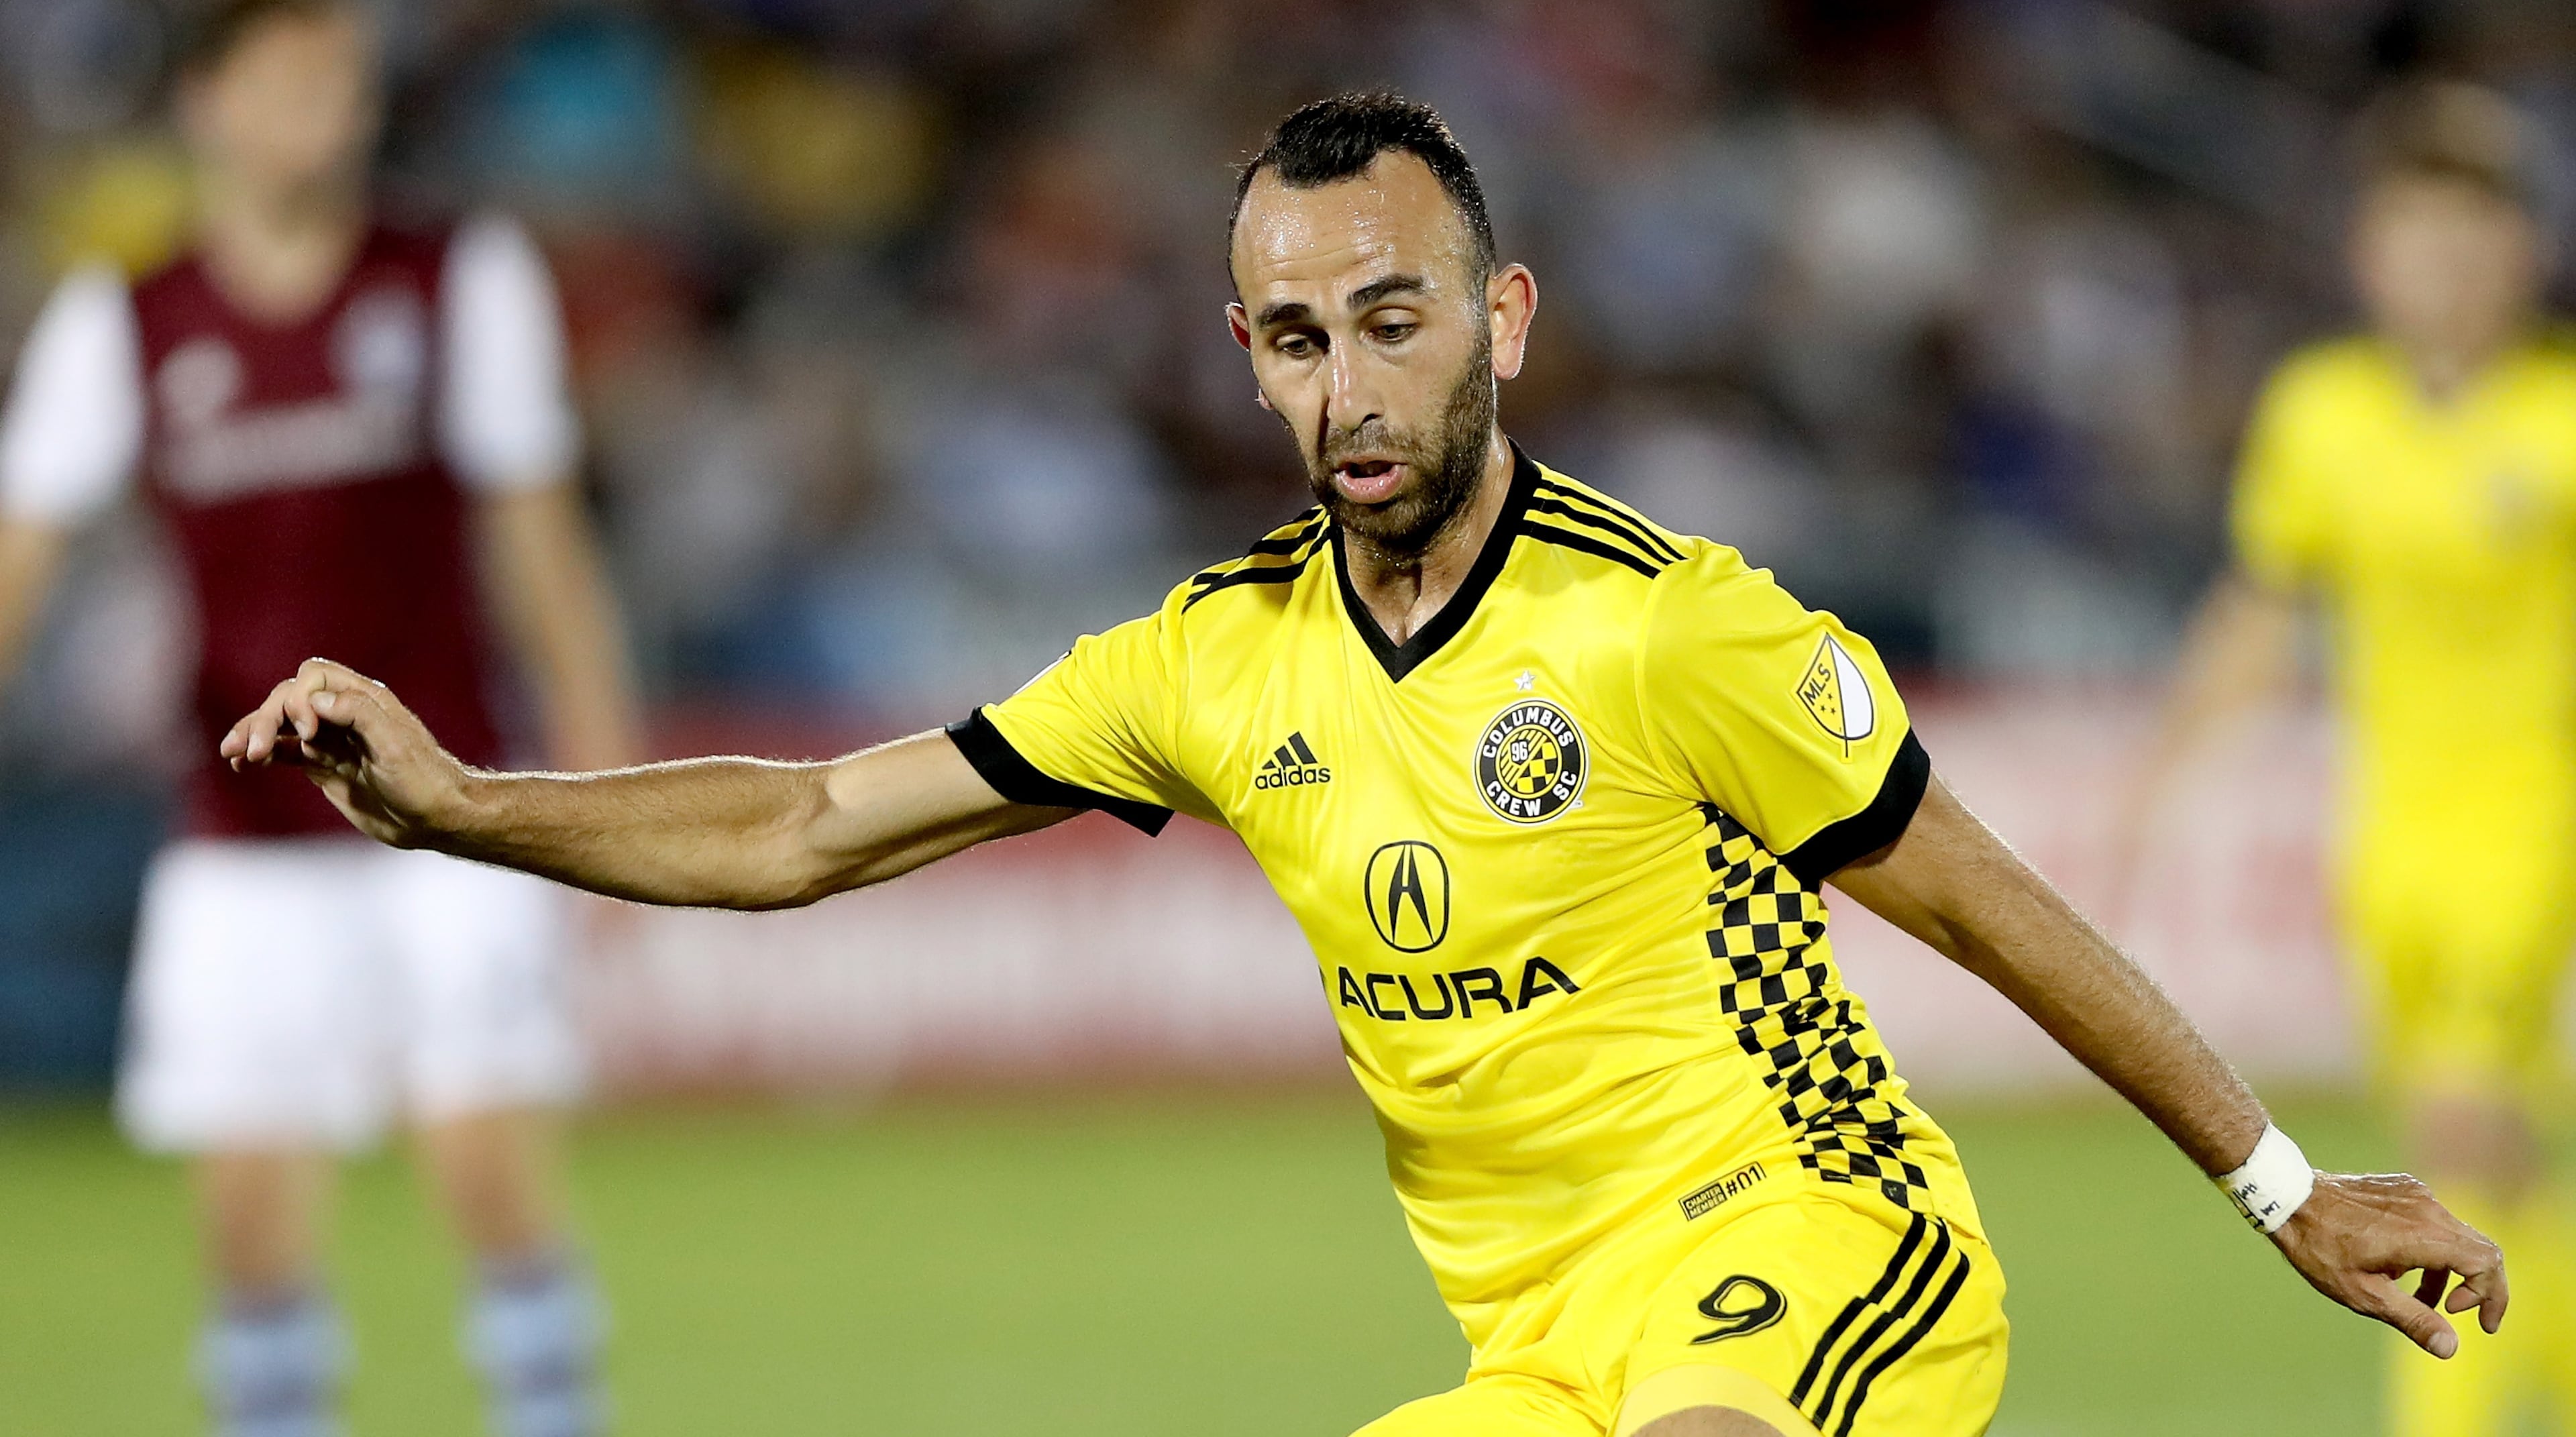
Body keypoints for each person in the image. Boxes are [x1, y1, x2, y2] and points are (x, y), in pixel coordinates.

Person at [223, 93, 2500, 1437]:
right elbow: (814, 820)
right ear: (1248, 355)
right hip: (1534, 1355)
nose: (1350, 387)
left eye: (1395, 318)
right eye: (1299, 337)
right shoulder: (1211, 667)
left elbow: (1985, 900)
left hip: (1815, 1255)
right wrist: (458, 804)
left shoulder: (1669, 622)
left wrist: (2290, 1195)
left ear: (1498, 321)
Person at [0, 0, 638, 1436]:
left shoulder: (451, 278)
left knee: (483, 1162)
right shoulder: (131, 321)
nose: (328, 116)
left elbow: (540, 541)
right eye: (293, 83)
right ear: (209, 105)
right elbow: (20, 559)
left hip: (452, 810)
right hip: (241, 826)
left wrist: (606, 787)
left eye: (344, 87)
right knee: (246, 1216)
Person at [2139, 82, 2576, 1434]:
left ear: (2523, 251)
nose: (2444, 260)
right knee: (2492, 1158)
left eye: (2473, 228)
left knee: (2452, 1142)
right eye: (2415, 228)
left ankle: (2434, 1418)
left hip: (2532, 830)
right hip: (2389, 846)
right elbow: (2265, 608)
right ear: (2368, 253)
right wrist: (2160, 776)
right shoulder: (2322, 414)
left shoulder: (2563, 418)